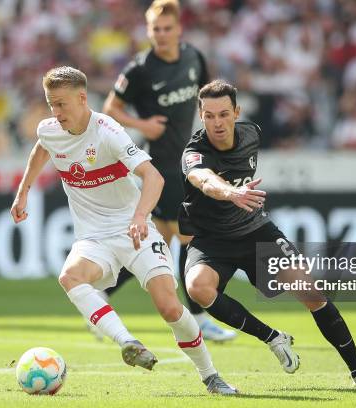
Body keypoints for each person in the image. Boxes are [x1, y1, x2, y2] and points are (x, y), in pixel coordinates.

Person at [10, 66, 237, 395]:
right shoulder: (49, 129)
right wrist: (24, 191)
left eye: (61, 104)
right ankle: (128, 342)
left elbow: (154, 177)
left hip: (135, 230)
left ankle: (210, 375)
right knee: (69, 276)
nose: (55, 113)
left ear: (82, 98)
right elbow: (41, 148)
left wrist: (140, 216)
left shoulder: (108, 131)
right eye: (50, 104)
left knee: (170, 309)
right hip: (93, 237)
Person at [179, 79, 356, 389]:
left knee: (312, 293)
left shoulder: (251, 133)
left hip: (255, 233)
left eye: (223, 114)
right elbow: (204, 180)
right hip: (212, 239)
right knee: (198, 287)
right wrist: (230, 193)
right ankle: (272, 338)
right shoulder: (194, 153)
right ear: (201, 116)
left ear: (237, 112)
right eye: (209, 115)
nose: (217, 123)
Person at [102, 0, 235, 342]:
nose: (161, 35)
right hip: (159, 165)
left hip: (188, 158)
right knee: (190, 237)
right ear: (149, 32)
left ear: (178, 29)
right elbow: (109, 109)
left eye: (166, 28)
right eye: (155, 30)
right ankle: (201, 316)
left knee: (159, 240)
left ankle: (100, 296)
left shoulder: (193, 57)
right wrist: (142, 124)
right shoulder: (140, 68)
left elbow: (207, 97)